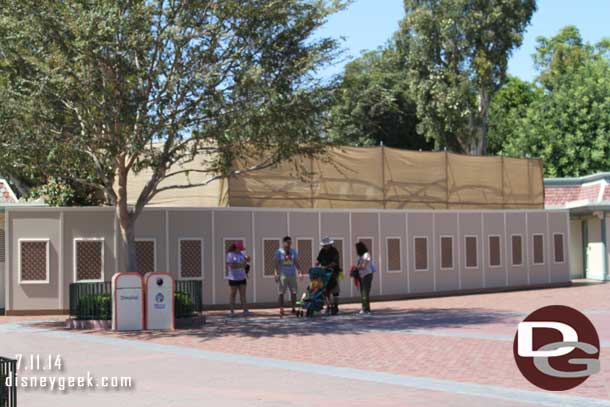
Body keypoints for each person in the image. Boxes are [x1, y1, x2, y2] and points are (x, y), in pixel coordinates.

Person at [273, 236, 302, 316]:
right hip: (283, 275)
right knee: (281, 292)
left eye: (290, 243)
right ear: (284, 243)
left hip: (292, 274)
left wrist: (299, 272)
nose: (289, 244)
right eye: (288, 243)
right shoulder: (279, 252)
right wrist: (276, 274)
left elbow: (296, 262)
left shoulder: (293, 251)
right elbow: (276, 264)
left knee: (294, 292)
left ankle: (293, 308)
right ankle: (281, 308)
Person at [316, 236, 341, 315]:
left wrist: (327, 266)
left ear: (329, 245)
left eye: (325, 245)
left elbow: (335, 262)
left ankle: (335, 306)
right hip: (324, 272)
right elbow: (318, 260)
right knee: (325, 289)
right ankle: (328, 306)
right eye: (323, 245)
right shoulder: (322, 251)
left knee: (335, 289)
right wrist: (317, 264)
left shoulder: (334, 251)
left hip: (333, 272)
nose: (324, 247)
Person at [226, 241, 250, 317]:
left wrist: (248, 259)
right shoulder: (230, 255)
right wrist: (241, 265)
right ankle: (232, 311)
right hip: (233, 278)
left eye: (241, 249)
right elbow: (231, 266)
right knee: (233, 294)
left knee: (243, 295)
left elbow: (247, 261)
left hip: (242, 277)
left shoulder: (242, 254)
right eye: (240, 249)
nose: (241, 250)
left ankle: (245, 310)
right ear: (236, 248)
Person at [355, 240, 375, 315]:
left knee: (365, 292)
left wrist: (357, 267)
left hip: (367, 275)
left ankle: (365, 309)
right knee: (363, 292)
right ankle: (366, 308)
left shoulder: (366, 255)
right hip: (361, 276)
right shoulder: (360, 256)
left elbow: (364, 266)